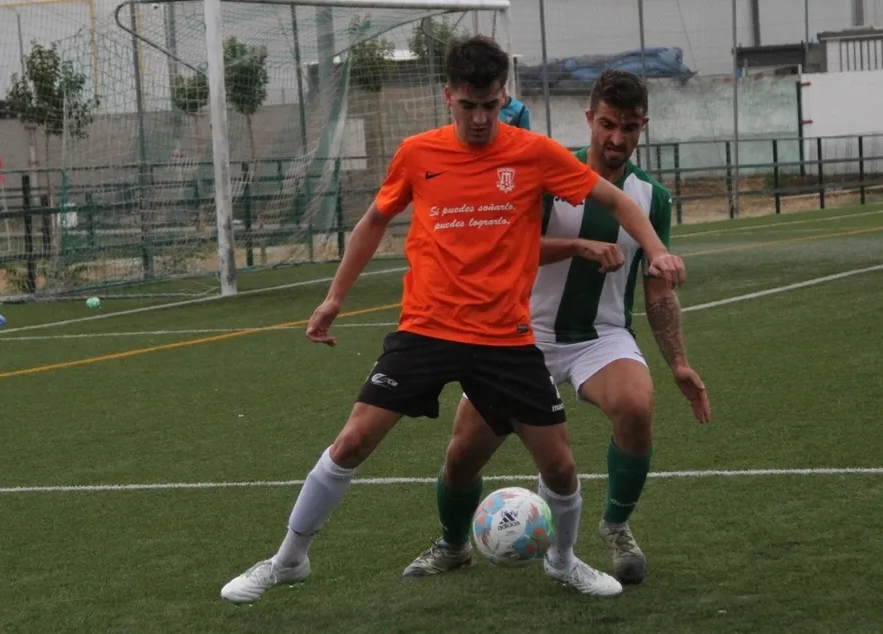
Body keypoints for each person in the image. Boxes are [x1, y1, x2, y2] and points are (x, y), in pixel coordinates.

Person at [220, 38, 686, 604]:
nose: (480, 119)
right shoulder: (418, 153)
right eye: (469, 106)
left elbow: (619, 202)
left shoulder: (534, 153)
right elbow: (373, 221)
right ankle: (288, 559)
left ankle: (563, 561)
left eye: (490, 106)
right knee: (353, 441)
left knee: (561, 467)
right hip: (426, 328)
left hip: (505, 338)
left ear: (503, 97)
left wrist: (656, 252)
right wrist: (334, 298)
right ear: (448, 98)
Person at [404, 70, 710, 587]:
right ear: (589, 119)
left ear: (643, 126)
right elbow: (506, 246)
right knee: (462, 455)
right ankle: (453, 545)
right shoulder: (544, 173)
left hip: (601, 336)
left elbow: (657, 289)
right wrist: (577, 247)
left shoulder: (651, 198)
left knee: (636, 405)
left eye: (629, 127)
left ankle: (616, 527)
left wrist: (678, 362)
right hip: (521, 336)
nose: (617, 138)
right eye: (608, 124)